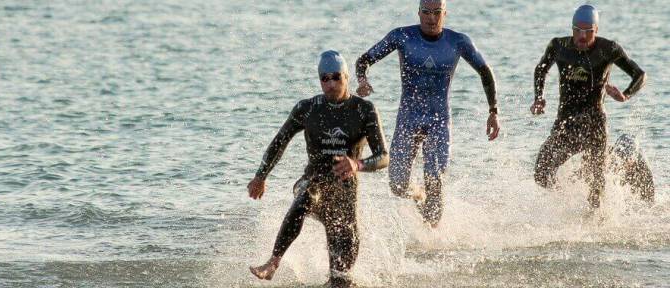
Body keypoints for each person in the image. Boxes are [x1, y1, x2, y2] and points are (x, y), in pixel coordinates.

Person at [247, 50, 389, 287]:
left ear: (346, 77)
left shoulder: (364, 110)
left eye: (336, 77)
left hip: (345, 197)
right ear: (319, 80)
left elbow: (384, 157)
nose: (331, 84)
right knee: (307, 196)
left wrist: (358, 164)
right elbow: (279, 142)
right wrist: (260, 176)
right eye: (325, 79)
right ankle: (273, 262)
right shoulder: (307, 108)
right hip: (312, 181)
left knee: (340, 280)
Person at [355, 0, 499, 227]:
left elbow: (485, 71)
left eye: (437, 13)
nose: (431, 19)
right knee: (397, 185)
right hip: (408, 119)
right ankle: (417, 195)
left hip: (439, 120)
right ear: (418, 13)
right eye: (426, 13)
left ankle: (432, 236)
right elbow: (364, 60)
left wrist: (493, 111)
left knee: (435, 181)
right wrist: (363, 81)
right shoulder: (402, 37)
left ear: (445, 13)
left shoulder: (458, 41)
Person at [531, 5, 646, 209]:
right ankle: (568, 203)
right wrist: (539, 97)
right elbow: (541, 69)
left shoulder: (608, 49)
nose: (582, 37)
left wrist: (625, 95)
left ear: (597, 30)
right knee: (541, 171)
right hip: (566, 123)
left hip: (595, 125)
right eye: (577, 30)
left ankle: (623, 161)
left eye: (588, 31)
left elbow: (639, 74)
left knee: (596, 192)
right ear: (572, 28)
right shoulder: (559, 46)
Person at [609, 134, 655, 204]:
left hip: (634, 158)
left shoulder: (641, 165)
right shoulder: (615, 158)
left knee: (647, 197)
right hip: (623, 148)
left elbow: (650, 188)